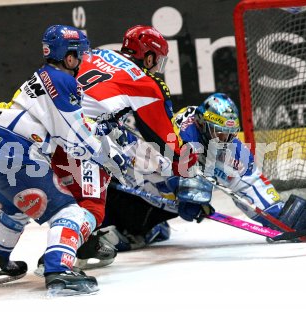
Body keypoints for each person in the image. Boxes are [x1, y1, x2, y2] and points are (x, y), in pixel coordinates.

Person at [0, 25, 128, 296]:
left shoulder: (41, 77)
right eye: (80, 55)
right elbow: (75, 136)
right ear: (69, 57)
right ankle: (59, 270)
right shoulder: (63, 80)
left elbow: (59, 130)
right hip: (15, 153)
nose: (82, 60)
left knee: (15, 210)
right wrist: (110, 155)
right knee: (70, 212)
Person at [96, 93, 306, 251]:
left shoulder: (234, 152)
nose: (224, 139)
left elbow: (252, 190)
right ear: (203, 123)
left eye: (229, 133)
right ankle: (144, 228)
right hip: (125, 183)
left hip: (154, 201)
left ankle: (147, 229)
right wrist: (190, 192)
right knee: (102, 213)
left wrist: (285, 217)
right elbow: (167, 173)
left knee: (129, 224)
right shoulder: (180, 132)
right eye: (219, 132)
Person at [43, 25, 198, 268]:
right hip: (80, 143)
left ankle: (72, 244)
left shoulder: (94, 54)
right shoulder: (145, 82)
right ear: (148, 57)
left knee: (63, 201)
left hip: (42, 135)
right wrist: (186, 180)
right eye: (157, 61)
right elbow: (164, 139)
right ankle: (58, 259)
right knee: (93, 206)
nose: (157, 67)